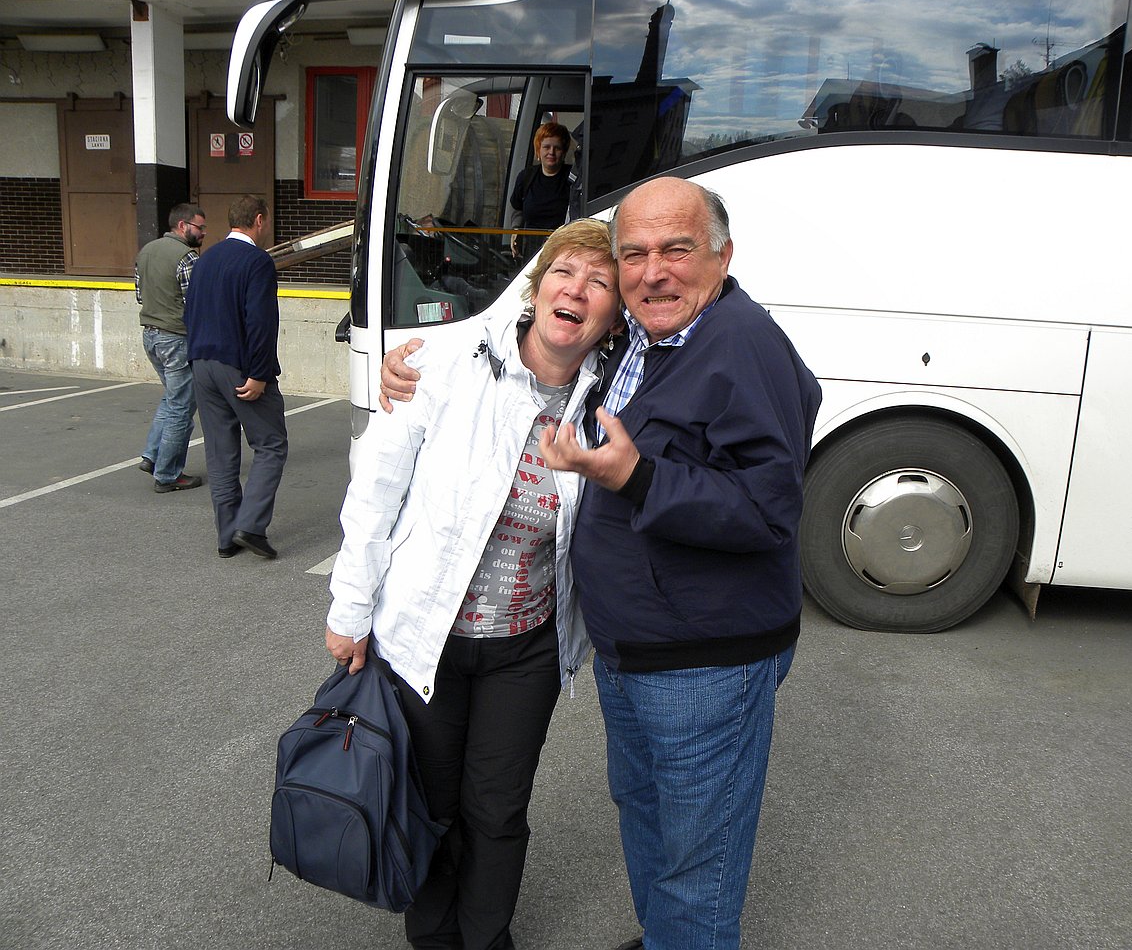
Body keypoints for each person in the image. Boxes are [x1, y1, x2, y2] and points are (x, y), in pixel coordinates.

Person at [382, 178, 822, 950]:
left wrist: (639, 477)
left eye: (676, 250)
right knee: (649, 819)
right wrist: (416, 360)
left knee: (699, 861)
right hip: (634, 652)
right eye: (635, 255)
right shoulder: (640, 338)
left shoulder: (739, 341)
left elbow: (768, 508)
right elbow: (527, 327)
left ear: (722, 257)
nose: (654, 272)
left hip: (705, 662)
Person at [326, 218, 622, 950]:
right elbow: (375, 493)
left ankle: (487, 939)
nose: (577, 290)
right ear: (537, 287)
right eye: (564, 272)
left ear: (615, 315)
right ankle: (434, 938)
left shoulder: (614, 398)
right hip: (425, 638)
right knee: (433, 806)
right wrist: (350, 610)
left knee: (497, 811)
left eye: (600, 282)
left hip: (528, 646)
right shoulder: (446, 360)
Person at [184, 194, 288, 560]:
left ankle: (227, 536)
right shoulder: (257, 261)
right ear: (258, 220)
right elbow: (261, 322)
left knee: (220, 452)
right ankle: (251, 526)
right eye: (267, 220)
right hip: (240, 367)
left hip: (202, 363)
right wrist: (260, 373)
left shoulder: (205, 259)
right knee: (270, 444)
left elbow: (189, 313)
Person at [134, 202, 206, 493]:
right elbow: (195, 303)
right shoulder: (187, 257)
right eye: (199, 227)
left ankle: (152, 455)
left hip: (151, 336)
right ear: (182, 225)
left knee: (172, 399)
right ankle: (167, 475)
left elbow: (140, 296)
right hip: (175, 338)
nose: (203, 233)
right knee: (181, 407)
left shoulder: (146, 251)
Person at [508, 121, 572, 259]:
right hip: (531, 254)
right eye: (546, 147)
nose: (551, 152)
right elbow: (517, 209)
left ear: (564, 151)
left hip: (562, 252)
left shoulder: (573, 178)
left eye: (557, 148)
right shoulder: (526, 177)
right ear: (538, 149)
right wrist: (516, 230)